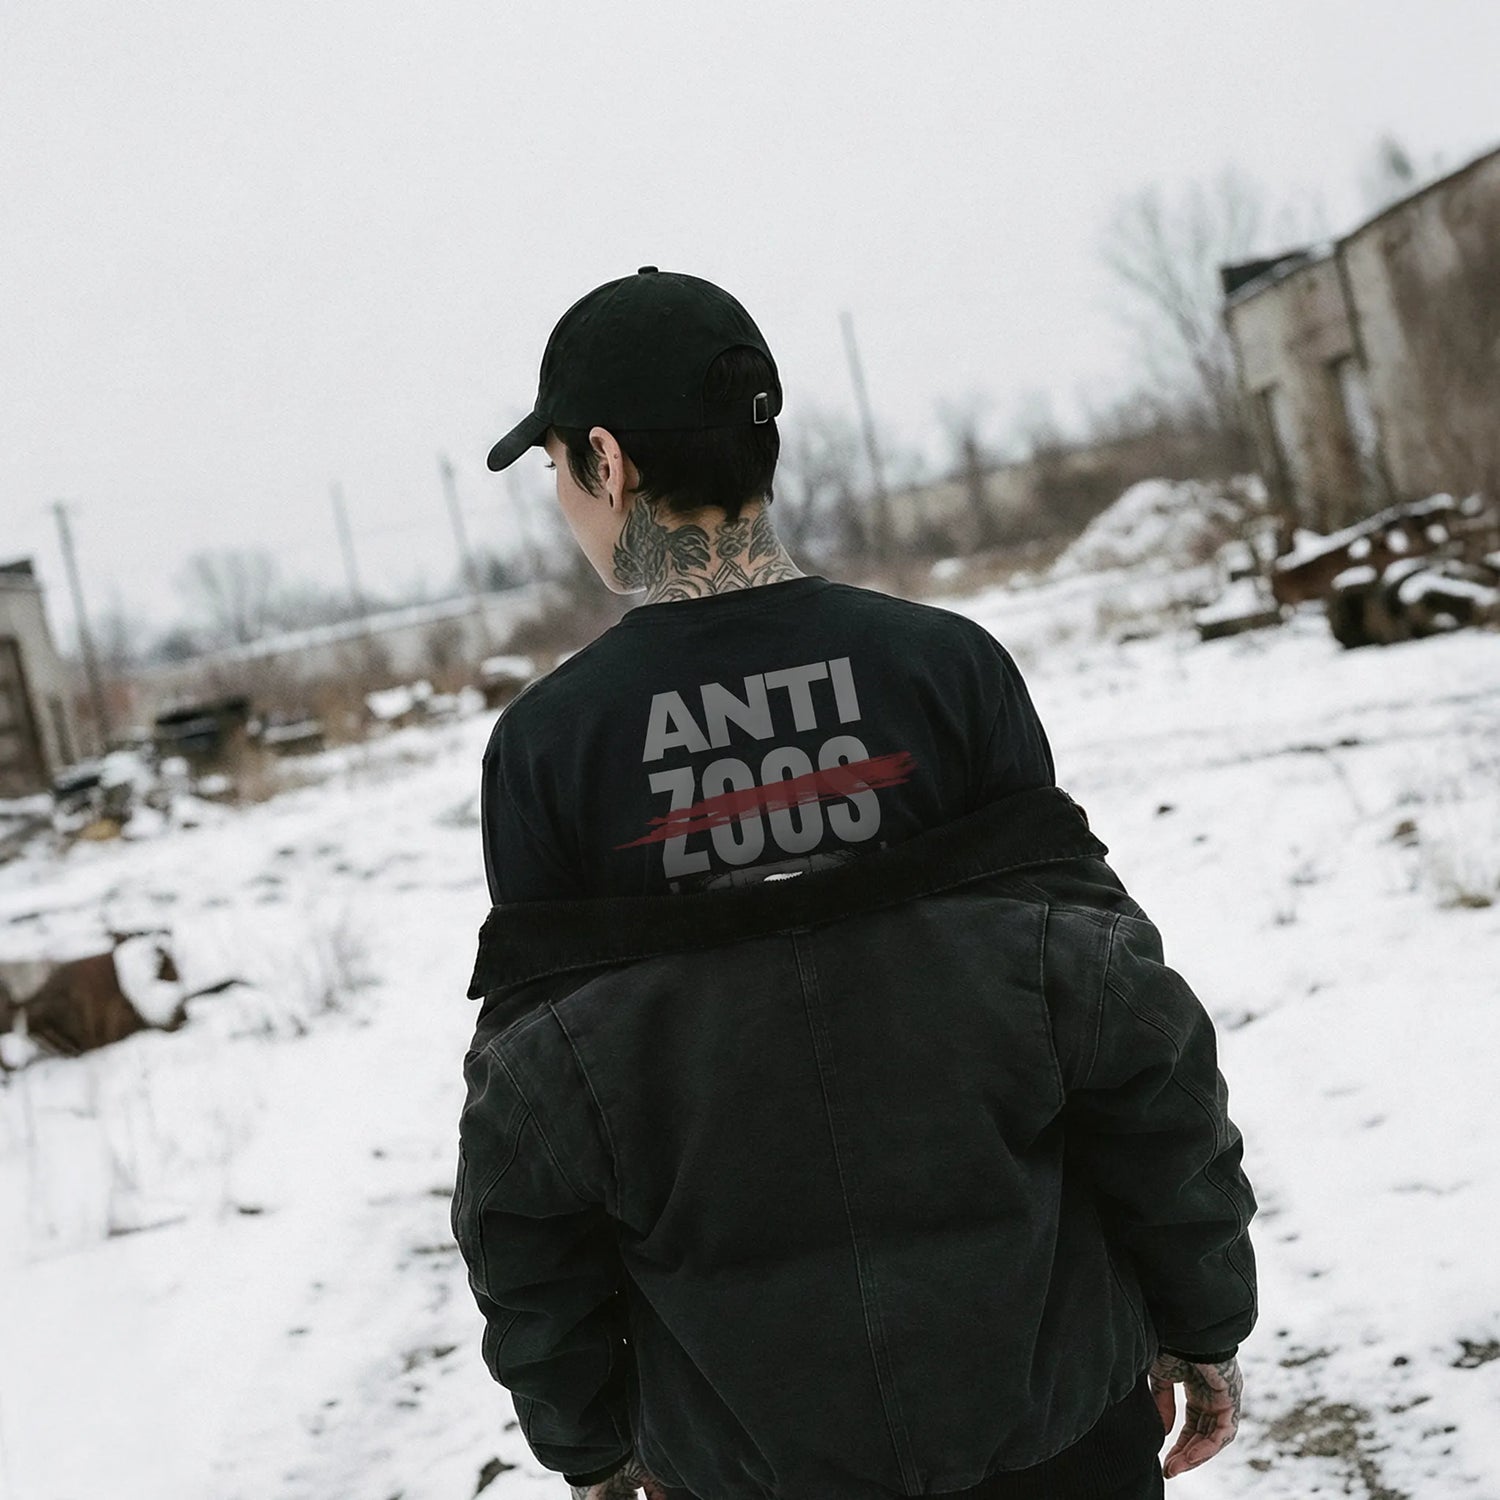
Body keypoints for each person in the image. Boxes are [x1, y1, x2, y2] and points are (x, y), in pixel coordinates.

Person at [452, 268, 1258, 1500]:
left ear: (605, 461)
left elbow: (528, 1160)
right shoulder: (950, 671)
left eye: (559, 468)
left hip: (744, 1462)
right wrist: (1200, 1315)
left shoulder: (550, 754)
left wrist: (590, 1442)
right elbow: (1128, 1035)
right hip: (1052, 1430)